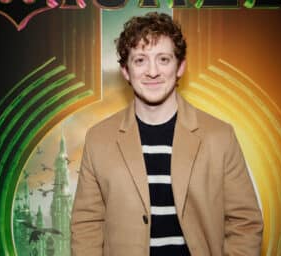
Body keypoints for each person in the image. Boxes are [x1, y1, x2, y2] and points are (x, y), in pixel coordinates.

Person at [71, 12, 263, 256]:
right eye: (140, 60)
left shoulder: (220, 136)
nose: (153, 72)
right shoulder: (98, 139)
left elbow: (245, 223)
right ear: (126, 71)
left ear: (180, 66)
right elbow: (86, 224)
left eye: (163, 59)